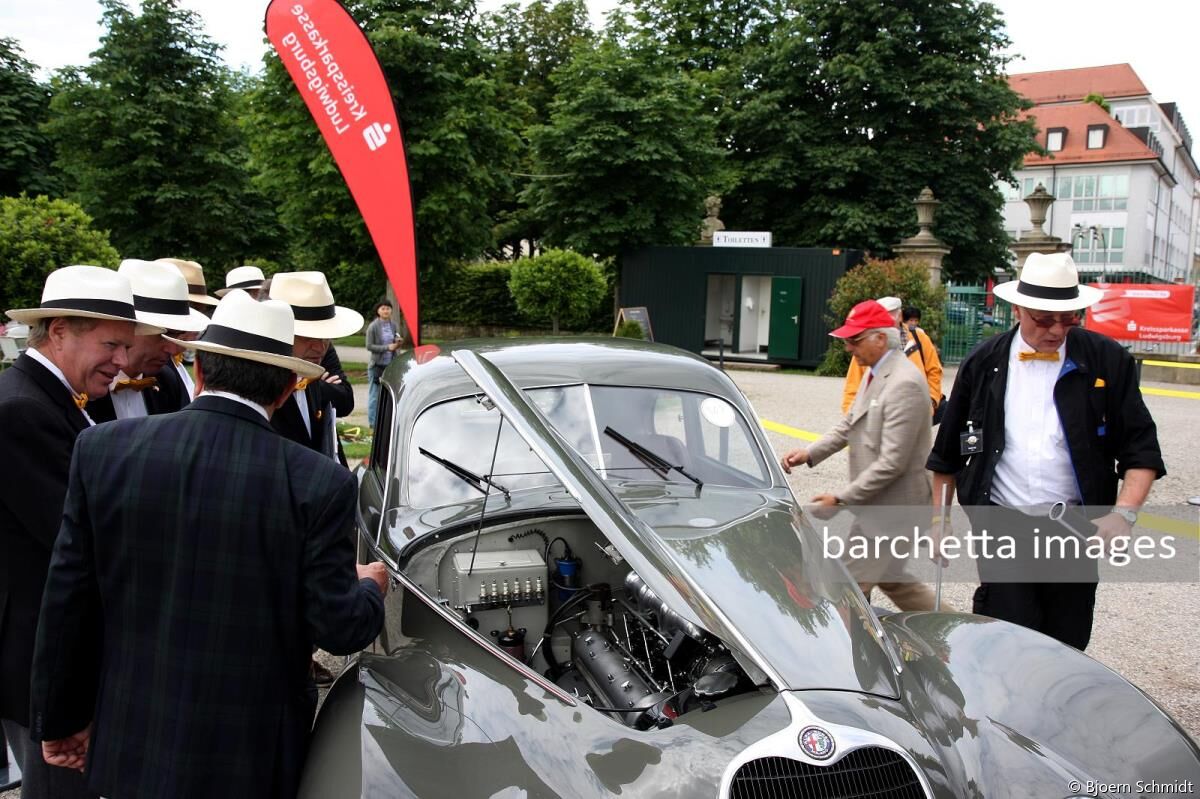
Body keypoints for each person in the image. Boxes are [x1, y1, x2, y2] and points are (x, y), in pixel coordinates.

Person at [28, 289, 388, 797]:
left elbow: (67, 601)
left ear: (199, 371)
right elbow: (340, 626)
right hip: (250, 748)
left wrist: (59, 718)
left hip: (133, 731)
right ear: (287, 388)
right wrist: (371, 588)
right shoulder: (316, 481)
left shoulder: (104, 450)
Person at [926, 252, 1164, 649]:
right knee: (1008, 637)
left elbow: (1140, 448)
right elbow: (947, 455)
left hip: (1074, 529)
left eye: (1068, 319)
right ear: (1017, 309)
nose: (1056, 330)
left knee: (1067, 641)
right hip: (1002, 524)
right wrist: (939, 522)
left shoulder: (1108, 361)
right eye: (1044, 319)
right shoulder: (982, 363)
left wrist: (1124, 514)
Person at [0, 264, 153, 798]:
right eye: (111, 344)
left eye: (126, 346)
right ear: (59, 331)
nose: (122, 361)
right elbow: (83, 540)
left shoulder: (49, 397)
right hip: (44, 662)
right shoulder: (23, 410)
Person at [780, 300, 937, 611]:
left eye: (854, 340)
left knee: (844, 585)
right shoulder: (876, 373)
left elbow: (892, 463)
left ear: (880, 338)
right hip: (881, 509)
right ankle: (950, 631)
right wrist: (809, 453)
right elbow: (849, 424)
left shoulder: (904, 383)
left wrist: (840, 499)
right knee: (894, 581)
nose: (848, 347)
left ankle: (848, 638)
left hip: (894, 512)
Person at [89, 260, 209, 422]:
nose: (174, 349)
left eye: (177, 335)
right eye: (162, 334)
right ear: (127, 326)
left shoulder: (167, 382)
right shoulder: (84, 384)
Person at [268, 272, 362, 465]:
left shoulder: (313, 361)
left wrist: (313, 381)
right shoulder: (257, 386)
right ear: (280, 332)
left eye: (325, 336)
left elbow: (345, 399)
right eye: (307, 336)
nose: (320, 348)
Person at [842, 296, 943, 418]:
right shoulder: (868, 345)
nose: (884, 321)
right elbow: (852, 387)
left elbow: (934, 370)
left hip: (915, 408)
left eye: (888, 316)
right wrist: (852, 417)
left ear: (899, 316)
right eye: (880, 317)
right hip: (880, 414)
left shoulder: (919, 338)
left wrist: (931, 401)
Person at [366, 299, 401, 428]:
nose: (386, 311)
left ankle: (388, 421)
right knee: (375, 396)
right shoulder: (373, 326)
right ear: (378, 311)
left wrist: (398, 341)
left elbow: (395, 338)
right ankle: (373, 424)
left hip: (390, 365)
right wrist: (387, 347)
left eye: (388, 308)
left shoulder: (393, 325)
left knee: (390, 394)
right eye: (383, 308)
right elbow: (369, 346)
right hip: (376, 366)